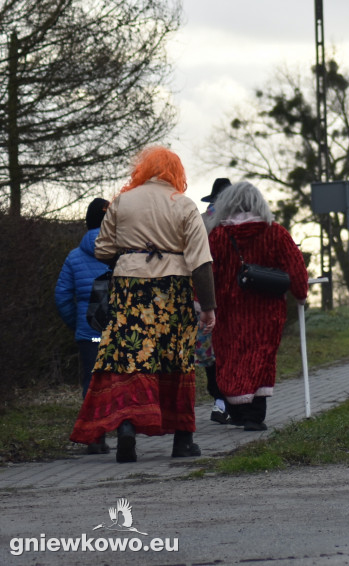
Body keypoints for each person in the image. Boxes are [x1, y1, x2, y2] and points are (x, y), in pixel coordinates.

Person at [70, 146, 216, 463]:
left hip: (129, 289)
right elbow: (201, 262)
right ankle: (182, 442)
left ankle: (126, 429)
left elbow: (102, 249)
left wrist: (134, 251)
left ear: (143, 170)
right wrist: (208, 306)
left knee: (129, 359)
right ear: (176, 173)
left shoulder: (123, 202)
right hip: (172, 291)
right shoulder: (185, 205)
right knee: (176, 360)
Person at [207, 181, 309, 431]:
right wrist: (300, 294)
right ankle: (254, 416)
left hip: (228, 311)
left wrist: (203, 304)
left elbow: (207, 271)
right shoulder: (275, 232)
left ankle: (237, 411)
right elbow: (295, 267)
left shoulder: (218, 236)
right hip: (267, 310)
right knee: (261, 356)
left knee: (230, 357)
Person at [55, 197, 113, 454]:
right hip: (120, 332)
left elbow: (62, 297)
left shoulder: (74, 256)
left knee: (91, 382)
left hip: (89, 334)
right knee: (120, 379)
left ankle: (95, 438)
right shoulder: (122, 253)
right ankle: (124, 430)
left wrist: (77, 323)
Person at [197, 177, 231, 425]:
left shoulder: (200, 221)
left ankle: (221, 401)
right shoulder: (239, 223)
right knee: (227, 352)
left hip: (206, 296)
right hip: (231, 296)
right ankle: (227, 401)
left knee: (210, 354)